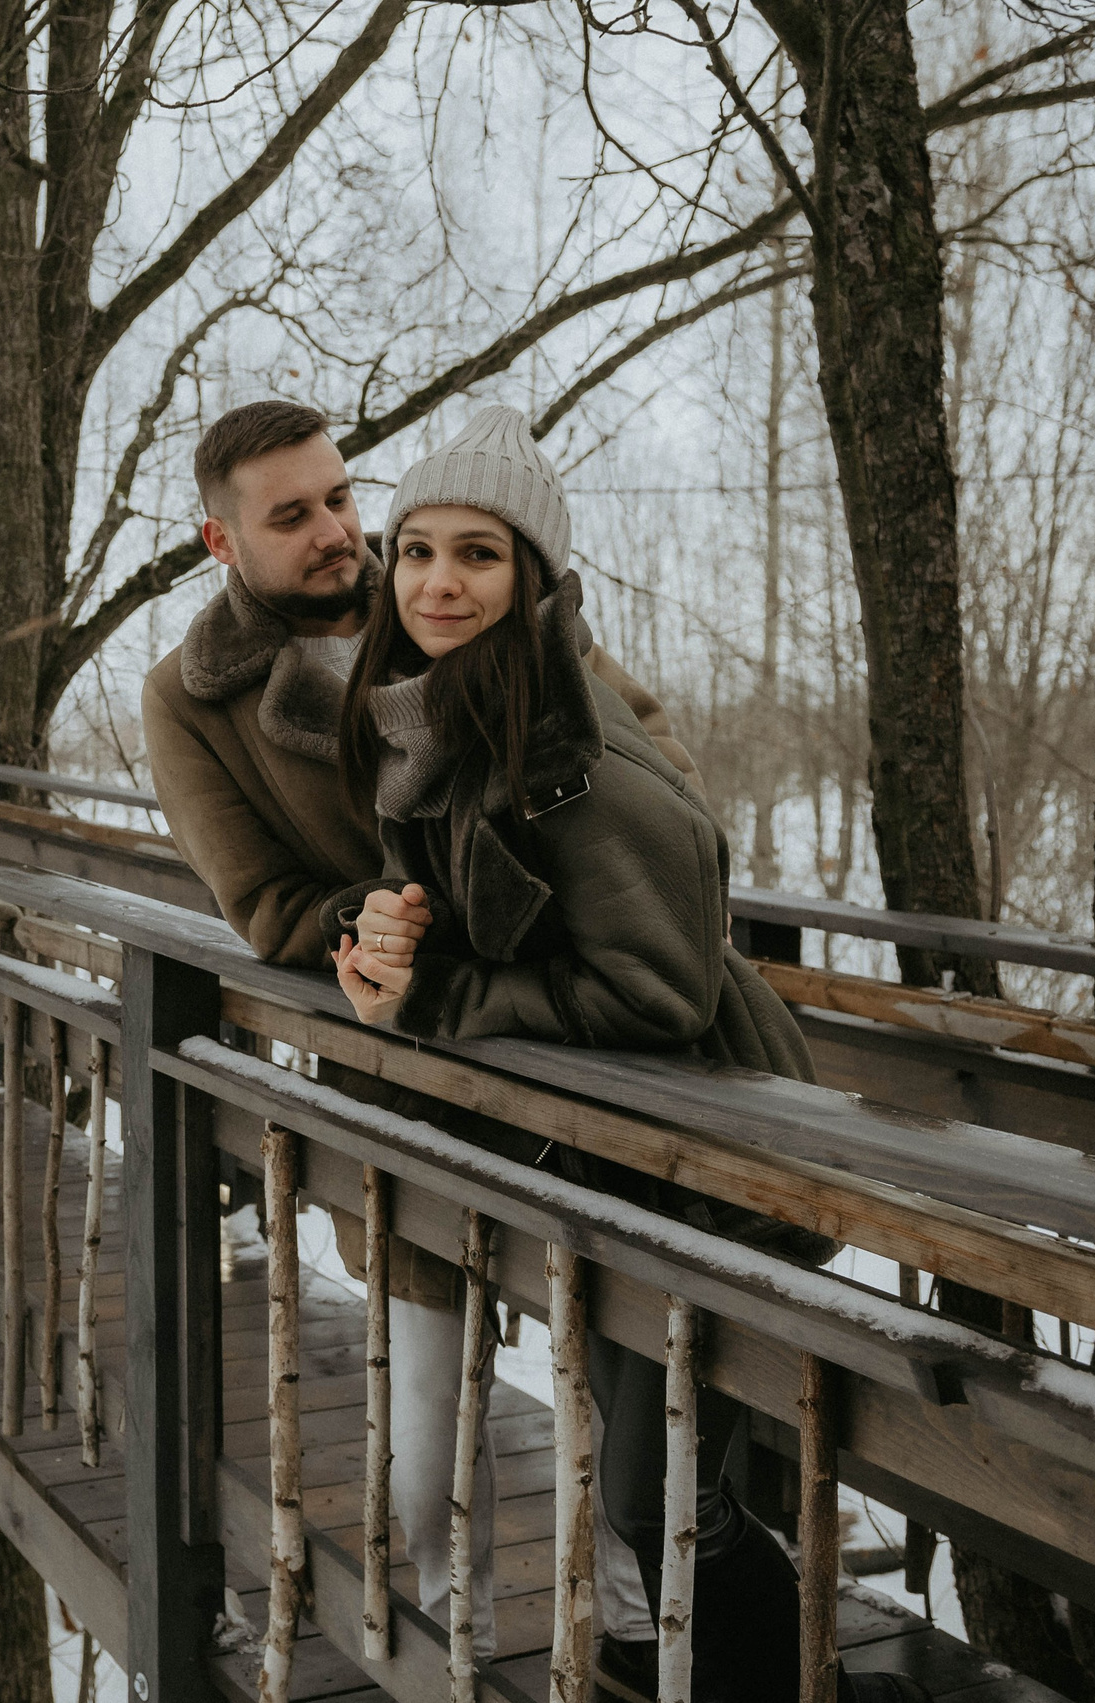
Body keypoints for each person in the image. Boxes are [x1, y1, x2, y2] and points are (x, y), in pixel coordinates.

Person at [323, 405, 909, 1703]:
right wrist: (388, 929)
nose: (436, 580)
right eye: (415, 549)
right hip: (604, 1161)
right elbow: (501, 914)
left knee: (662, 1504)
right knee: (656, 1501)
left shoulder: (580, 760)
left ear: (534, 575)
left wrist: (436, 997)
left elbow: (651, 987)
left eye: (476, 553)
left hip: (700, 1159)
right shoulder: (444, 722)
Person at [143, 399, 693, 1659]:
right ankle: (433, 1649)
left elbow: (642, 751)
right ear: (221, 542)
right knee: (419, 1437)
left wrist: (577, 893)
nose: (342, 532)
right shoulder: (189, 699)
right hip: (402, 1077)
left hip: (570, 1049)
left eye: (341, 495)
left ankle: (631, 1646)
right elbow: (265, 902)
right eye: (292, 515)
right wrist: (385, 921)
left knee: (622, 1387)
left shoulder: (454, 588)